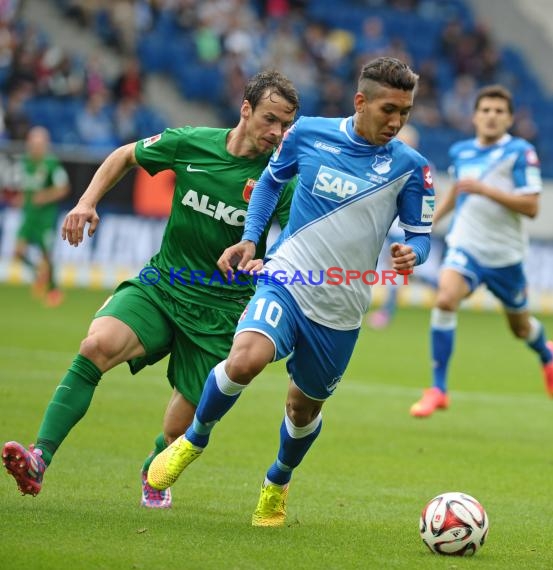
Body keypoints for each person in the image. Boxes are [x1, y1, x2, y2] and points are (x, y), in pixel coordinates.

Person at [147, 57, 435, 526]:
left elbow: (421, 235)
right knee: (245, 358)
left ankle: (277, 481)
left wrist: (413, 254)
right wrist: (249, 235)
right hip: (287, 278)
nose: (397, 121)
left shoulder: (410, 167)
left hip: (341, 306)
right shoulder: (307, 133)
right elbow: (269, 183)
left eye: (405, 111)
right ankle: (193, 440)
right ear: (360, 101)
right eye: (388, 109)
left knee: (302, 409)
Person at [2, 70, 300, 508]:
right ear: (246, 110)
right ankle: (39, 457)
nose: (276, 133)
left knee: (186, 422)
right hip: (164, 284)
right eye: (270, 119)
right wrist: (87, 201)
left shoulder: (281, 176)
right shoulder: (192, 143)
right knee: (96, 346)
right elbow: (125, 156)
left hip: (222, 309)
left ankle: (154, 468)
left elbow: (297, 233)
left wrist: (268, 261)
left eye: (285, 125)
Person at [410, 84, 553, 418]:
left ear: (509, 118)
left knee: (519, 328)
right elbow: (458, 192)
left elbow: (531, 206)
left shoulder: (520, 152)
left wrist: (486, 190)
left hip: (506, 256)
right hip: (466, 245)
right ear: (474, 116)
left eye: (499, 111)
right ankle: (438, 388)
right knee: (445, 299)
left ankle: (546, 355)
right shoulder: (462, 151)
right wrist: (427, 226)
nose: (491, 116)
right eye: (485, 110)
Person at [367, 123, 419, 329]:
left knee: (395, 269)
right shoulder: (386, 165)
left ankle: (387, 311)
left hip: (402, 229)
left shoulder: (421, 167)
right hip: (382, 226)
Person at [13, 126, 70, 306]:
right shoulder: (26, 163)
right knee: (18, 252)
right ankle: (40, 274)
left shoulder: (51, 164)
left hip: (45, 218)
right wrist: (21, 198)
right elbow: (27, 187)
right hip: (29, 216)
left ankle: (53, 290)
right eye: (33, 143)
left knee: (47, 254)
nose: (35, 147)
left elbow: (63, 188)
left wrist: (44, 196)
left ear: (45, 144)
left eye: (39, 143)